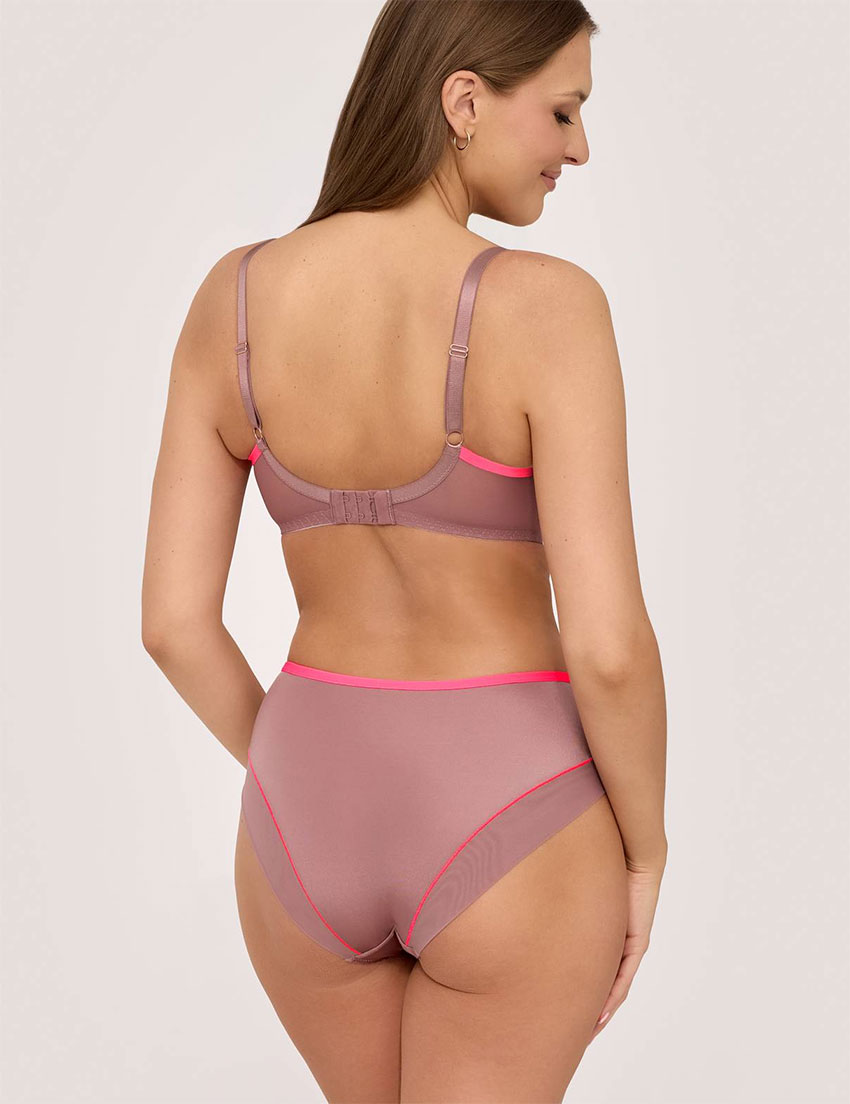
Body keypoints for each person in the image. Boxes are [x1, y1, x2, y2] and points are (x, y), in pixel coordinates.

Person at [141, 1, 668, 1099]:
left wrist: (297, 769)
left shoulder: (232, 301)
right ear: (464, 99)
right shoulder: (548, 309)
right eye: (562, 111)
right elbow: (609, 646)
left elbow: (174, 625)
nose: (580, 147)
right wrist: (646, 849)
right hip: (513, 810)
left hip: (302, 820)